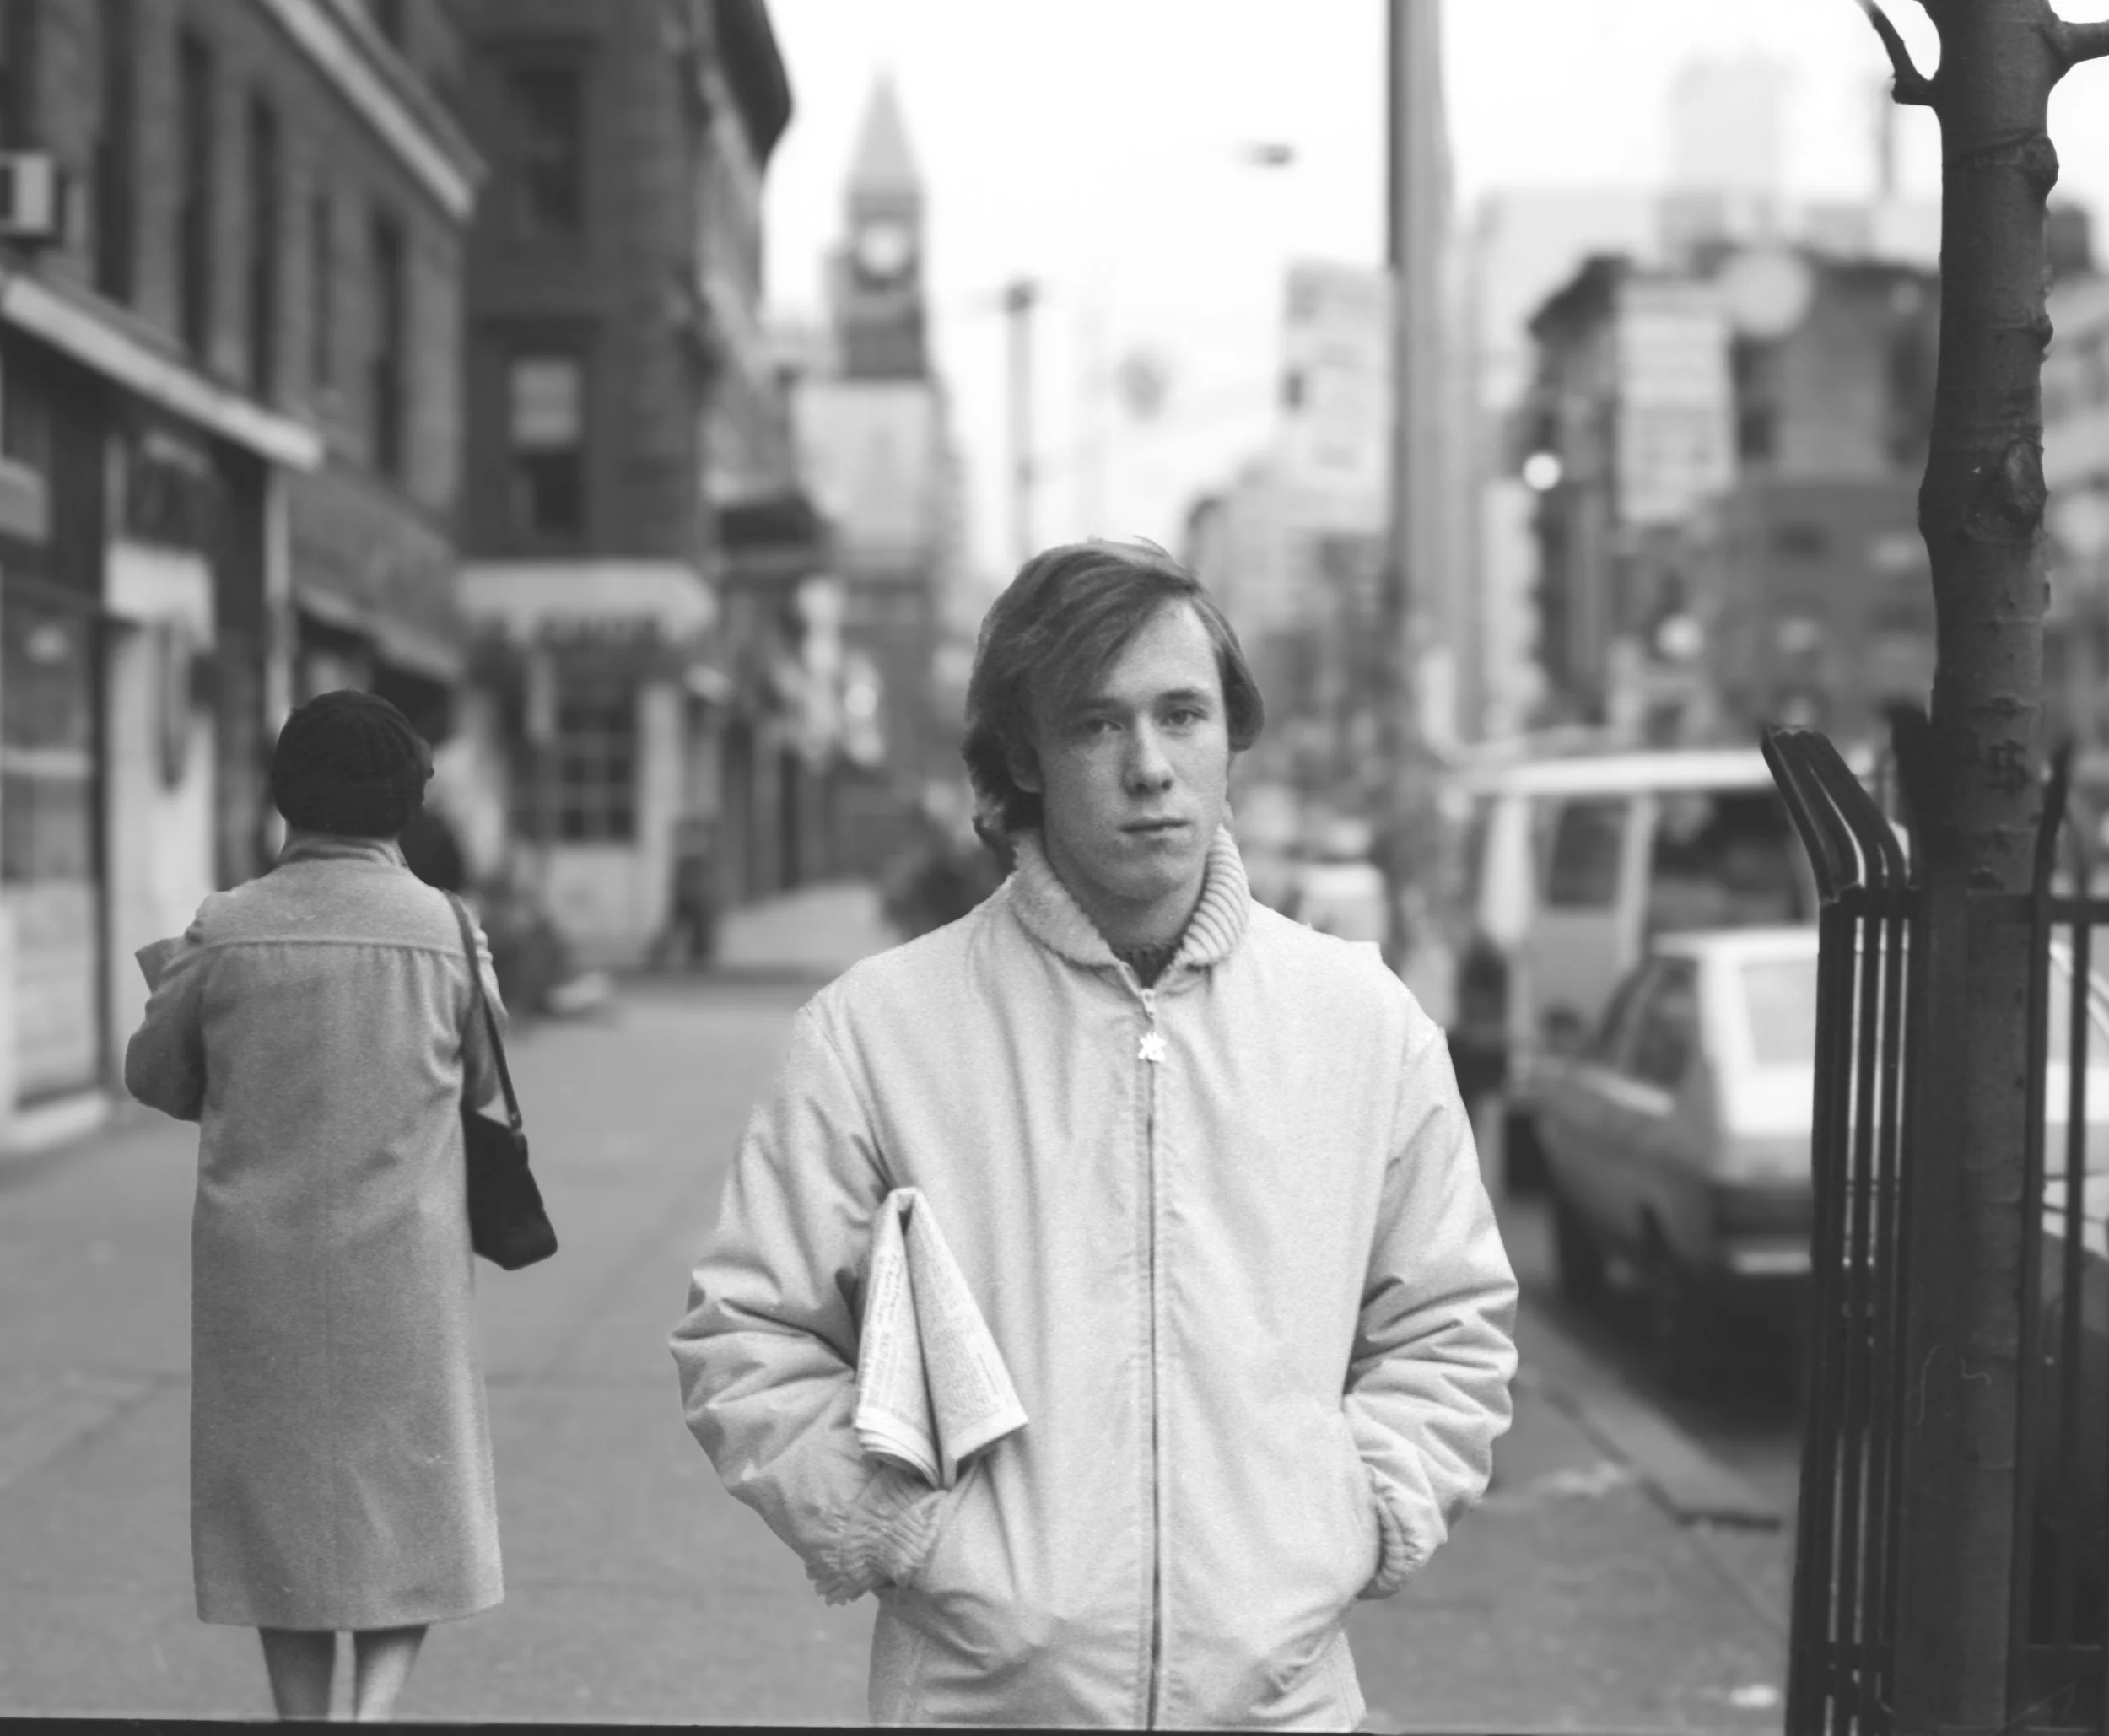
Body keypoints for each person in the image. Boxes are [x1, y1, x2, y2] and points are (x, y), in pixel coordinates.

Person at [670, 541, 1517, 1729]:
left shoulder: (1361, 1021)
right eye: (1096, 725)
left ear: (1232, 737)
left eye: (1184, 715)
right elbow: (747, 1334)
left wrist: (1358, 1509)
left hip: (1284, 1705)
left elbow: (1449, 1321)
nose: (1150, 768)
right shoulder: (876, 1032)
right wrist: (911, 1532)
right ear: (1024, 755)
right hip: (982, 1702)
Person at [125, 689, 507, 1723]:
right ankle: (367, 1717)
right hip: (405, 1271)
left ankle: (305, 1723)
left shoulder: (228, 926)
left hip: (265, 1276)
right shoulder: (446, 931)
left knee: (283, 1519)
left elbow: (155, 1079)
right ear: (404, 807)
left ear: (284, 799)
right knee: (409, 1513)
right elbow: (484, 1091)